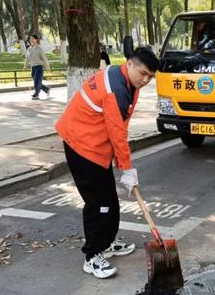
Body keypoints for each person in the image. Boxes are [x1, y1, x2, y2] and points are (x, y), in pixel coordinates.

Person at [55, 47, 160, 279]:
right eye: (143, 73)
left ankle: (106, 243)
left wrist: (122, 164)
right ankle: (92, 256)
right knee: (99, 204)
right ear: (129, 64)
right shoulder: (115, 90)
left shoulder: (126, 80)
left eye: (150, 77)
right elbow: (117, 132)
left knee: (110, 199)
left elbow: (119, 126)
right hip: (81, 146)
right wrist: (127, 168)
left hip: (95, 143)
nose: (145, 80)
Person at [25, 34, 51, 100]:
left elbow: (44, 58)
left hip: (39, 67)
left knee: (36, 81)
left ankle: (36, 94)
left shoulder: (40, 48)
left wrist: (47, 67)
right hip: (33, 67)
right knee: (37, 81)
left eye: (33, 39)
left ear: (36, 40)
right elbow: (27, 58)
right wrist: (25, 66)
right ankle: (47, 89)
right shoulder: (29, 48)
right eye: (30, 39)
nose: (31, 40)